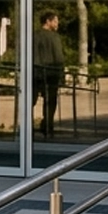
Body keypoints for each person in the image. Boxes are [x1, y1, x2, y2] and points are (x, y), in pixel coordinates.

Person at [33, 10, 64, 140]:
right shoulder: (54, 37)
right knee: (50, 102)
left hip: (35, 73)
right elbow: (59, 57)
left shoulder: (34, 36)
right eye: (55, 21)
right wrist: (61, 74)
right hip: (51, 74)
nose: (57, 24)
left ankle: (28, 128)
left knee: (31, 101)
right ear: (48, 21)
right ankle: (47, 126)